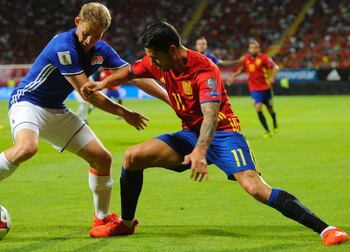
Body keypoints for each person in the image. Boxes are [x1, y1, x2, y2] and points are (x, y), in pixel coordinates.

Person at [82, 22, 349, 246]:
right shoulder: (158, 63)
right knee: (132, 157)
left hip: (222, 133)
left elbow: (210, 114)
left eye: (155, 56)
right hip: (189, 133)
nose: (151, 62)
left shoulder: (205, 70)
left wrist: (199, 150)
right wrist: (102, 83)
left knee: (255, 188)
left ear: (173, 50)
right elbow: (130, 71)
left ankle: (326, 229)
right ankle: (127, 224)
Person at [0, 3, 168, 234]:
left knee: (102, 159)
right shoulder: (63, 46)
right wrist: (123, 112)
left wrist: (170, 99)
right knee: (27, 148)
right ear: (77, 22)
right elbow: (87, 94)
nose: (90, 40)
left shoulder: (101, 49)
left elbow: (134, 74)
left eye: (98, 35)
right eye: (87, 34)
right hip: (28, 102)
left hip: (55, 109)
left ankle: (101, 219)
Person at [227, 40, 279, 138]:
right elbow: (242, 69)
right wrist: (233, 76)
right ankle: (267, 131)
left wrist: (272, 77)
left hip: (266, 87)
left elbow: (275, 67)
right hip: (254, 89)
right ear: (249, 49)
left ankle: (274, 122)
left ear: (259, 49)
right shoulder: (246, 59)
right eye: (251, 48)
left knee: (270, 109)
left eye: (255, 48)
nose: (253, 49)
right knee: (258, 107)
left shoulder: (264, 58)